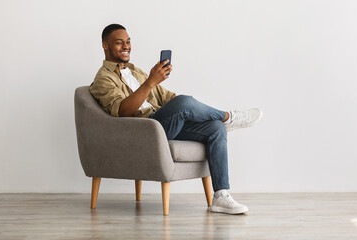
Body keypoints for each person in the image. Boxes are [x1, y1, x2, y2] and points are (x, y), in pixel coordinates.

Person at [90, 24, 263, 215]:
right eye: (119, 43)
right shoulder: (103, 79)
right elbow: (122, 110)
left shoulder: (135, 71)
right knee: (184, 103)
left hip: (162, 124)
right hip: (144, 131)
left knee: (214, 127)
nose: (126, 46)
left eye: (128, 41)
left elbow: (168, 97)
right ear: (105, 46)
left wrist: (192, 111)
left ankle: (221, 196)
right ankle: (229, 117)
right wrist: (151, 82)